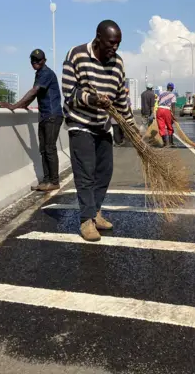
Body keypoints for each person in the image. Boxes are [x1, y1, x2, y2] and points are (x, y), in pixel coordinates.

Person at [62, 20, 138, 242]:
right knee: (85, 172)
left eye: (118, 44)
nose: (114, 48)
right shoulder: (76, 55)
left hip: (103, 124)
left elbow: (121, 99)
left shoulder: (117, 63)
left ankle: (95, 211)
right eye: (111, 43)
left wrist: (130, 126)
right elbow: (69, 93)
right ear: (98, 37)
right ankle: (86, 220)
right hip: (80, 122)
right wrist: (92, 99)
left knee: (104, 171)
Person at [0, 49, 63, 192]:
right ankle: (46, 181)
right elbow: (36, 94)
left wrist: (14, 106)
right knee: (43, 149)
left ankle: (54, 181)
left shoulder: (46, 73)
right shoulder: (39, 74)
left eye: (38, 60)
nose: (35, 63)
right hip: (45, 115)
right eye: (33, 61)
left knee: (49, 148)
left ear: (44, 61)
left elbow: (34, 91)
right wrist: (24, 105)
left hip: (52, 115)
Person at [156, 82, 177, 147]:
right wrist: (173, 115)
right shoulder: (173, 95)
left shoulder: (161, 93)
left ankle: (165, 143)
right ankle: (171, 143)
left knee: (161, 127)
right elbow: (173, 106)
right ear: (172, 88)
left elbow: (158, 101)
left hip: (159, 110)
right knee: (169, 126)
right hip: (167, 110)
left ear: (167, 87)